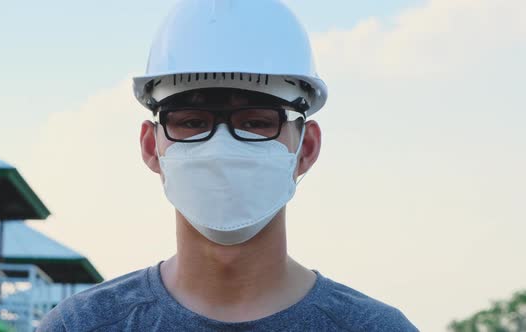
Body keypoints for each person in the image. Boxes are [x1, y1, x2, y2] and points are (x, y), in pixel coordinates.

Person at [38, 0, 418, 331]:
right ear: (152, 145)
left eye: (255, 122)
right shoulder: (82, 326)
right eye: (191, 121)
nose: (221, 146)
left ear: (307, 147)